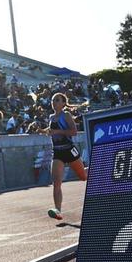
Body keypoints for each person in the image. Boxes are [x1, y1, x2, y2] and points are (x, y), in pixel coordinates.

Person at [46, 92, 87, 220]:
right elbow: (52, 132)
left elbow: (74, 132)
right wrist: (46, 131)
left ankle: (95, 169)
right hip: (57, 152)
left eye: (57, 100)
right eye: (53, 100)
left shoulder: (66, 115)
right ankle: (57, 210)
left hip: (69, 150)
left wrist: (57, 131)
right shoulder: (51, 117)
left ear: (64, 103)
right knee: (56, 182)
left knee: (83, 177)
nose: (54, 102)